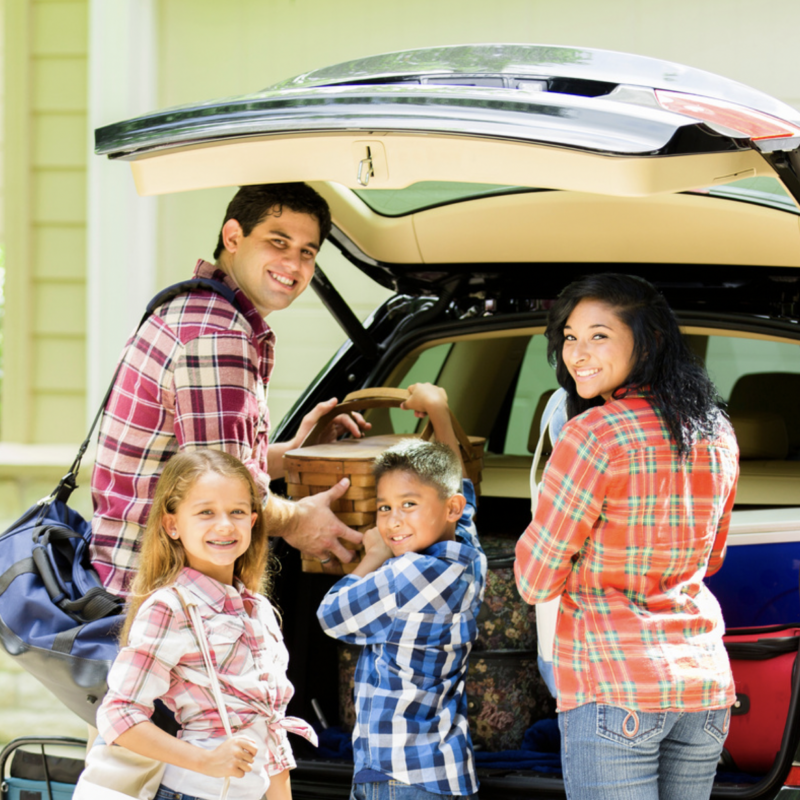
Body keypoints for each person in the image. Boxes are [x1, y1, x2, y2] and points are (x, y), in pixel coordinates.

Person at [514, 273, 739, 800]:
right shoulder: (716, 431)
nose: (577, 353)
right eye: (569, 337)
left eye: (598, 335)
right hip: (702, 687)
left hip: (612, 686)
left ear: (650, 339)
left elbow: (535, 579)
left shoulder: (591, 435)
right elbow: (713, 559)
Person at [90, 182, 368, 598]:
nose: (293, 263)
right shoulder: (217, 337)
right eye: (279, 242)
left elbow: (205, 464)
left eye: (307, 252)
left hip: (130, 575)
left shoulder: (190, 307)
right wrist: (297, 521)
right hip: (162, 597)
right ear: (233, 237)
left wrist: (295, 453)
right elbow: (222, 497)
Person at [96, 448, 316, 800]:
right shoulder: (170, 607)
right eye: (206, 513)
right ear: (172, 525)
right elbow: (118, 715)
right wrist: (207, 761)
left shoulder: (258, 610)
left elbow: (271, 733)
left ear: (253, 521)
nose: (225, 525)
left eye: (237, 512)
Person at [317, 383, 486, 800]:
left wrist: (371, 557)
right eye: (384, 507)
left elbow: (331, 615)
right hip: (446, 770)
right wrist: (439, 412)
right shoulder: (468, 555)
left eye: (408, 505)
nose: (393, 521)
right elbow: (462, 489)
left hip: (397, 775)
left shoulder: (406, 573)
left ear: (447, 511)